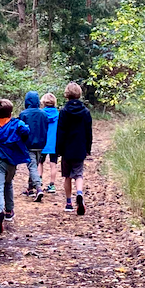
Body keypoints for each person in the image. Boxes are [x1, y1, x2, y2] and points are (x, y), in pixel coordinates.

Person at [0, 98, 32, 235]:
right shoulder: (16, 123)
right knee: (8, 183)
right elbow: (26, 131)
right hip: (12, 160)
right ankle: (9, 211)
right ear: (10, 112)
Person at [54, 82, 92, 215]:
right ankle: (80, 193)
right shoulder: (86, 112)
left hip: (66, 149)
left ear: (66, 94)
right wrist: (88, 148)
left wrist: (58, 150)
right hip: (80, 148)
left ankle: (69, 203)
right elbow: (89, 132)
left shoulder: (64, 112)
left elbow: (61, 131)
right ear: (79, 94)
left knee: (67, 176)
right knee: (79, 174)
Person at [18, 91, 49, 203]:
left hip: (28, 144)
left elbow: (20, 131)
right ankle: (30, 188)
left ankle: (38, 187)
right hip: (40, 144)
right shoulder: (43, 114)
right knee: (34, 165)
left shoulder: (23, 114)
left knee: (32, 166)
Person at [40, 92, 59, 192]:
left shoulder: (41, 114)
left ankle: (38, 182)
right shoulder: (58, 115)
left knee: (40, 162)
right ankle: (52, 185)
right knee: (53, 164)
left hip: (42, 142)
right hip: (54, 143)